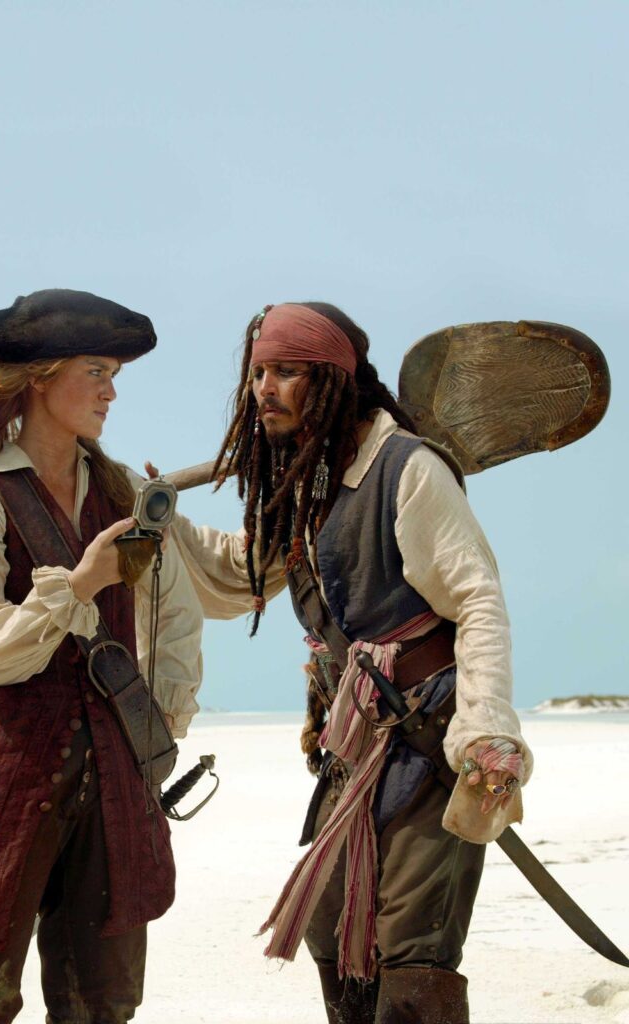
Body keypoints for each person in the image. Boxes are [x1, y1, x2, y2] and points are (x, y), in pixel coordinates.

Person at [170, 302, 533, 1024]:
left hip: (430, 739)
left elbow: (478, 599)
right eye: (259, 373)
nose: (264, 389)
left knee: (412, 946)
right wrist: (158, 521)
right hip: (355, 744)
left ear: (333, 381)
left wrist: (486, 729)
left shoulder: (409, 468)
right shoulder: (306, 480)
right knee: (331, 923)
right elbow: (242, 571)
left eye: (286, 372)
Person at [0, 288, 203, 1024]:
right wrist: (79, 584)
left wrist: (159, 720)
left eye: (114, 376)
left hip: (114, 792)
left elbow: (176, 616)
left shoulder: (124, 493)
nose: (110, 393)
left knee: (103, 1006)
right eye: (95, 372)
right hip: (5, 784)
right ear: (40, 378)